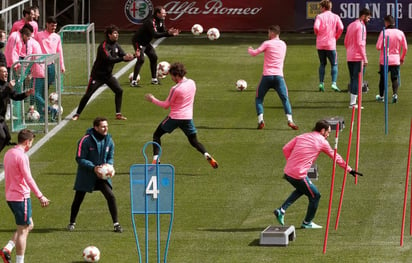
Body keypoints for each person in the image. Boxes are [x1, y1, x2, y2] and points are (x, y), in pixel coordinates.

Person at [273, 120, 363, 229]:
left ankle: (281, 210)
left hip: (288, 172)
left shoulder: (302, 136)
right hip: (298, 174)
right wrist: (349, 169)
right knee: (315, 195)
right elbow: (335, 156)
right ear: (322, 130)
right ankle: (307, 222)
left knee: (302, 189)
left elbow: (285, 149)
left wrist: (291, 162)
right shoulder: (322, 142)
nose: (328, 135)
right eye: (328, 132)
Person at [144, 62, 218, 168]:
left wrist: (152, 99)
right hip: (187, 118)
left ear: (177, 75)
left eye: (172, 76)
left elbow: (166, 105)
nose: (172, 78)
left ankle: (156, 159)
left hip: (174, 117)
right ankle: (206, 154)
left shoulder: (175, 89)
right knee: (194, 141)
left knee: (156, 135)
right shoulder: (192, 83)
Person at [0, 129, 50, 263]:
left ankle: (8, 248)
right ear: (27, 142)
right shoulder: (22, 157)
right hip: (21, 197)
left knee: (29, 225)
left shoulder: (8, 153)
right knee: (23, 231)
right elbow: (28, 178)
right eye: (31, 142)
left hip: (10, 197)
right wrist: (40, 196)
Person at [67, 117, 123, 233]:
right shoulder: (85, 140)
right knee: (78, 199)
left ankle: (116, 224)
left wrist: (109, 167)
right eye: (103, 126)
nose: (105, 128)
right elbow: (79, 158)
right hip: (86, 175)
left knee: (111, 196)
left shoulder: (109, 140)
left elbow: (110, 157)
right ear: (96, 128)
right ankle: (72, 222)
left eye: (106, 126)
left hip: (102, 176)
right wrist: (94, 168)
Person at [71, 25, 134, 121]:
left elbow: (123, 56)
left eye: (117, 33)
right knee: (88, 94)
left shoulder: (116, 45)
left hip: (108, 76)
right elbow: (109, 59)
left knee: (119, 91)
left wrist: (132, 56)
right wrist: (123, 58)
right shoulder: (103, 46)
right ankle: (77, 114)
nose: (117, 35)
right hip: (97, 76)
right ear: (109, 35)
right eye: (115, 33)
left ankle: (118, 114)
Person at [248, 25, 298, 130]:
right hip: (279, 76)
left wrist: (250, 49)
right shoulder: (283, 44)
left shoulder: (267, 43)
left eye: (268, 32)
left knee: (259, 98)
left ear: (272, 33)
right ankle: (290, 120)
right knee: (285, 99)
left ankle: (261, 120)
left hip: (267, 76)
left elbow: (254, 53)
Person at [131, 6, 180, 87]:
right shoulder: (151, 21)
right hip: (138, 41)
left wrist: (171, 34)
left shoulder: (161, 20)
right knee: (141, 60)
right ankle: (133, 81)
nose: (165, 15)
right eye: (163, 13)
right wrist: (168, 33)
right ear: (158, 13)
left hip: (146, 42)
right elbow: (155, 35)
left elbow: (163, 32)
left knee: (154, 57)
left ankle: (154, 79)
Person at [34, 16, 66, 118]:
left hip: (51, 66)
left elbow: (59, 51)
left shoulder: (56, 37)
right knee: (39, 91)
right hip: (40, 66)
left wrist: (62, 65)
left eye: (55, 26)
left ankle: (45, 112)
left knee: (45, 89)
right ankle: (46, 111)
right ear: (47, 24)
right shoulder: (39, 35)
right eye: (52, 25)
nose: (54, 28)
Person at [0, 65, 34, 153]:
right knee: (2, 137)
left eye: (6, 72)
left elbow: (15, 96)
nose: (6, 73)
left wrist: (26, 94)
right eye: (3, 72)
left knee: (7, 138)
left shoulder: (7, 85)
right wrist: (9, 88)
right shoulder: (7, 86)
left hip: (1, 118)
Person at [376, 15, 408, 103]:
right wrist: (402, 58)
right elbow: (405, 48)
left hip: (384, 60)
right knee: (394, 78)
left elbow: (378, 47)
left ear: (386, 23)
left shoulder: (384, 32)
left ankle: (381, 97)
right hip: (395, 59)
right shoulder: (400, 32)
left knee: (382, 78)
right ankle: (395, 94)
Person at [313, 0, 344, 92]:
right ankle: (333, 83)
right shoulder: (335, 16)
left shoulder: (319, 16)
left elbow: (316, 27)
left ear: (323, 7)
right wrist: (336, 36)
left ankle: (321, 83)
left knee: (322, 63)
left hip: (320, 44)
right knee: (334, 64)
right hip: (331, 44)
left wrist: (317, 34)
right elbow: (341, 27)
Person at [344, 8, 371, 108]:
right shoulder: (361, 26)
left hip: (350, 56)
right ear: (363, 16)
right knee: (357, 80)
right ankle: (353, 103)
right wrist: (364, 57)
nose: (369, 20)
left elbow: (346, 41)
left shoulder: (351, 25)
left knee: (353, 79)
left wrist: (350, 51)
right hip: (358, 57)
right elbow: (360, 43)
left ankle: (353, 101)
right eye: (368, 17)